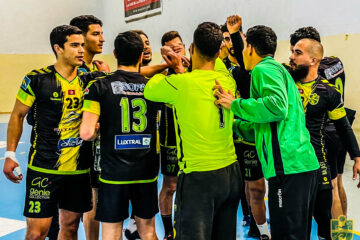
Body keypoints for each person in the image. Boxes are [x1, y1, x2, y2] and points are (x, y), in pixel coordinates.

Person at [214, 25, 320, 240]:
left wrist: (235, 104)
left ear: (250, 47)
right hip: (299, 167)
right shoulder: (277, 71)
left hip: (289, 168)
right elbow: (265, 126)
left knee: (286, 235)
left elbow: (276, 107)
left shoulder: (264, 69)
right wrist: (234, 125)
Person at [144, 22, 242, 240]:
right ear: (219, 52)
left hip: (199, 179)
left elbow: (150, 89)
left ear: (191, 47)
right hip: (231, 174)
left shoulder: (180, 84)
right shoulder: (226, 78)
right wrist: (184, 68)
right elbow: (210, 69)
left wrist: (169, 64)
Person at [2, 25, 101, 240]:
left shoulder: (90, 79)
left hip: (79, 169)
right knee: (37, 233)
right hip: (43, 167)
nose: (81, 50)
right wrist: (10, 155)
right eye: (74, 45)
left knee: (71, 227)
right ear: (58, 48)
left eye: (82, 45)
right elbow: (17, 116)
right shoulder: (37, 79)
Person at [80, 31, 160, 240]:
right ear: (142, 55)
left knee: (112, 232)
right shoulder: (153, 86)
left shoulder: (99, 86)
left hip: (114, 172)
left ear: (115, 54)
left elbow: (86, 133)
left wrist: (100, 129)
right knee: (148, 230)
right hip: (147, 170)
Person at [289, 38, 360, 239]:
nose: (291, 56)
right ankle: (342, 236)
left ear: (313, 59)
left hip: (325, 147)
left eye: (296, 52)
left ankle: (339, 237)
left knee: (334, 190)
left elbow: (344, 126)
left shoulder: (327, 90)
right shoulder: (288, 81)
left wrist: (357, 156)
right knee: (337, 185)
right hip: (295, 159)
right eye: (292, 51)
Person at [225, 15, 270, 239]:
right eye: (227, 41)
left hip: (258, 135)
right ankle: (254, 222)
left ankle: (259, 225)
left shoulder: (259, 69)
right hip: (238, 137)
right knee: (250, 186)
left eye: (236, 40)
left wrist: (235, 33)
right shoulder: (229, 70)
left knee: (256, 187)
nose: (231, 45)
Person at [70, 14, 108, 240]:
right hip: (75, 149)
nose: (102, 38)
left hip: (95, 146)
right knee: (79, 209)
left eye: (102, 33)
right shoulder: (76, 71)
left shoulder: (96, 68)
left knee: (95, 196)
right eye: (96, 34)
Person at [157, 30, 186, 240]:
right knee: (170, 185)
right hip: (170, 140)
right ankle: (168, 230)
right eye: (171, 48)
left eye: (179, 46)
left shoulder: (195, 72)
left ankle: (186, 226)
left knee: (191, 185)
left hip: (194, 139)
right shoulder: (161, 76)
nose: (176, 51)